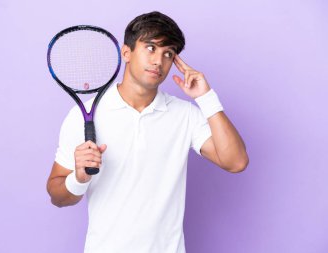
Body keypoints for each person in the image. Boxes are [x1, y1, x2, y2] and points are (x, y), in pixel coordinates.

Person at [46, 11, 249, 253]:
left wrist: (206, 98)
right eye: (151, 48)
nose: (158, 61)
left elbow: (236, 162)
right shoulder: (82, 116)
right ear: (126, 52)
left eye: (168, 54)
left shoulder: (185, 115)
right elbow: (57, 196)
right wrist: (79, 178)